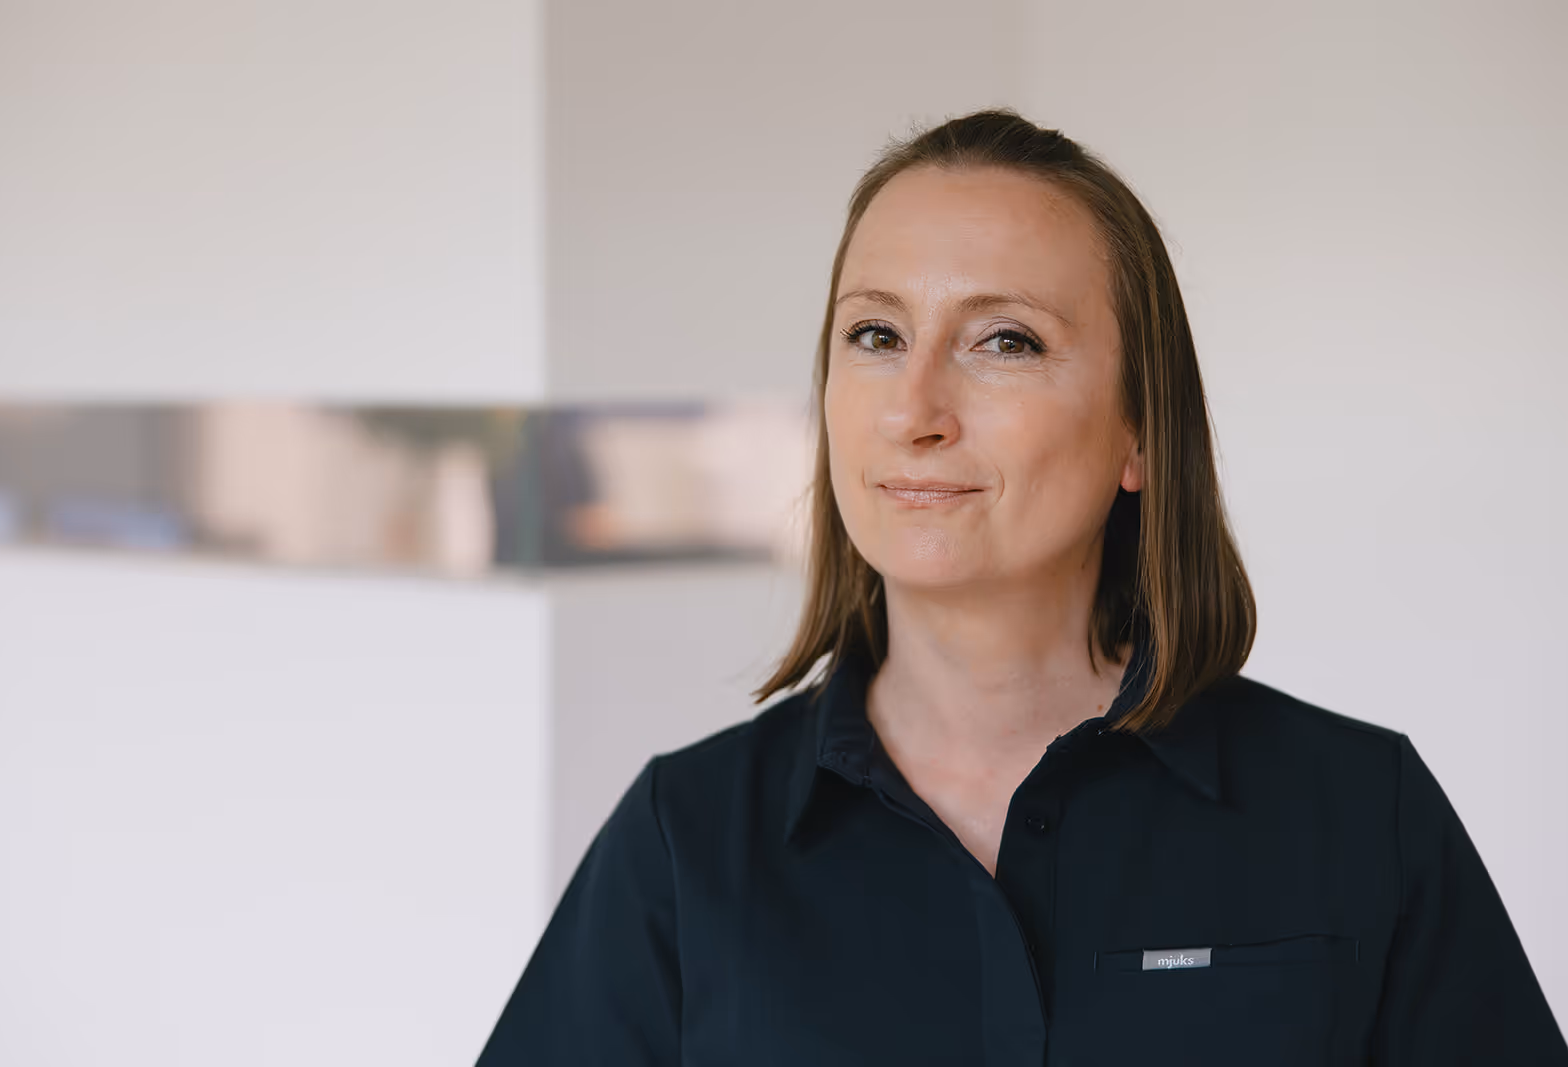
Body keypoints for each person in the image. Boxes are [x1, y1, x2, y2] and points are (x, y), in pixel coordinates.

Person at [473, 109, 1567, 1065]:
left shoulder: (1356, 811)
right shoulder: (687, 838)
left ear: (1140, 427)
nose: (915, 406)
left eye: (1004, 340)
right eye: (874, 333)